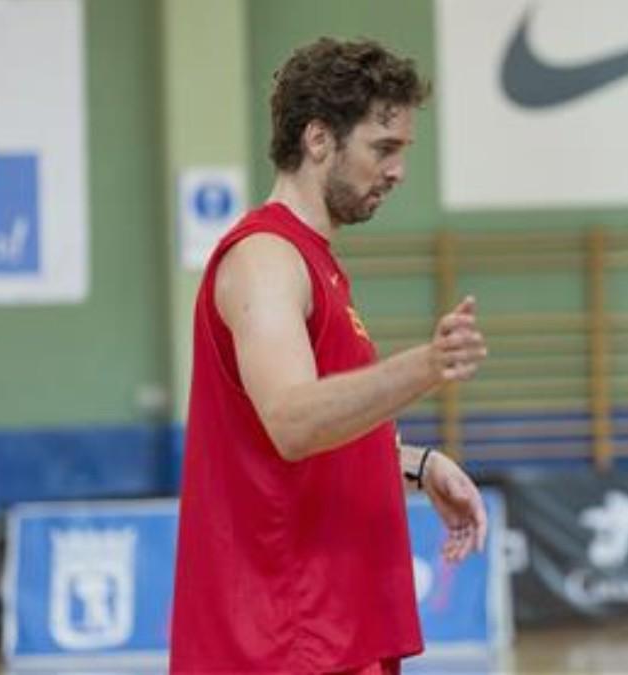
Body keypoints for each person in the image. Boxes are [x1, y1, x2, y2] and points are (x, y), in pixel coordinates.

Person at [170, 38, 488, 674]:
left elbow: (288, 433)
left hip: (327, 633)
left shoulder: (313, 261)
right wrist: (425, 365)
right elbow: (292, 422)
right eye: (383, 147)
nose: (397, 171)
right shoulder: (265, 259)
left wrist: (415, 464)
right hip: (284, 641)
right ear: (319, 139)